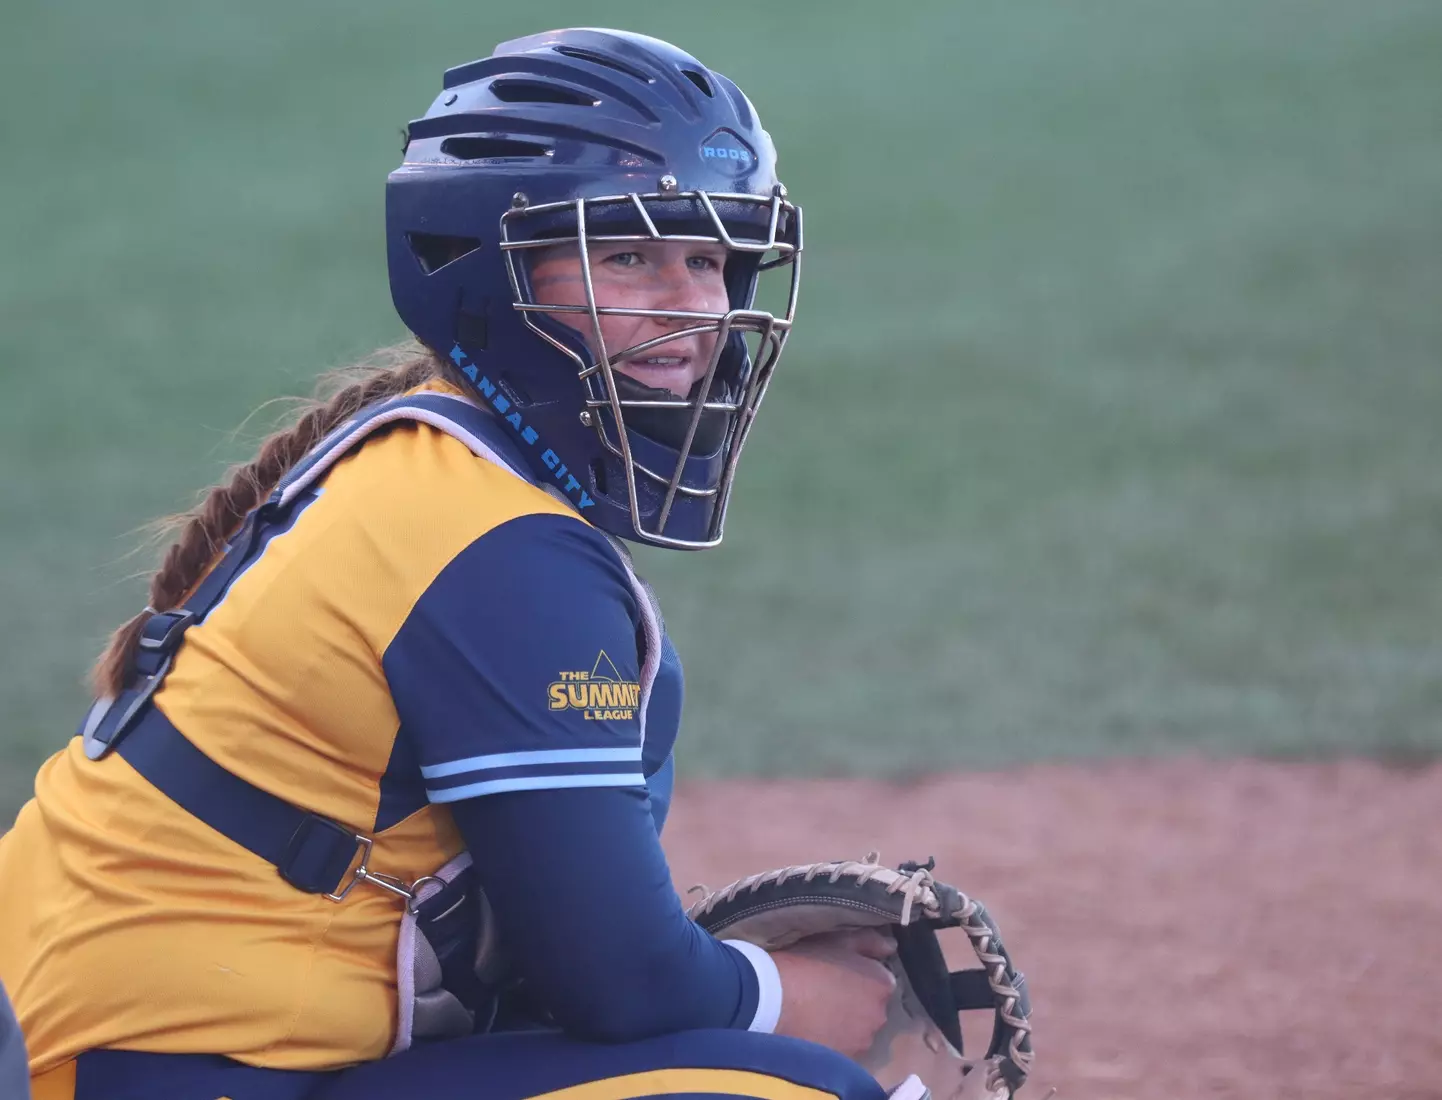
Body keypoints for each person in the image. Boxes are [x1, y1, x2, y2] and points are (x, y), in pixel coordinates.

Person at [0, 27, 906, 1100]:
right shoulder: (499, 550)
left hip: (120, 1044)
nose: (690, 306)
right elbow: (618, 984)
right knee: (806, 1088)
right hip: (163, 1070)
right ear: (488, 273)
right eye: (627, 254)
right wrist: (806, 993)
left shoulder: (428, 463)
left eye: (707, 259)